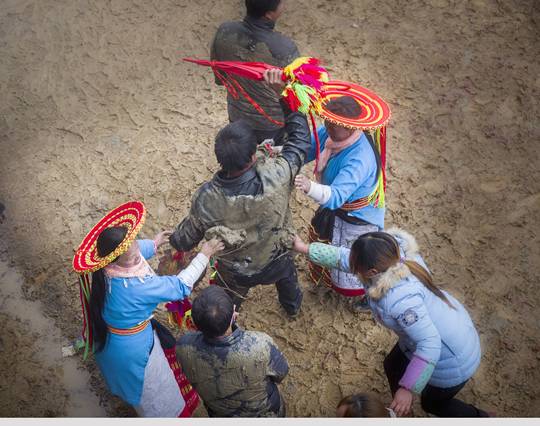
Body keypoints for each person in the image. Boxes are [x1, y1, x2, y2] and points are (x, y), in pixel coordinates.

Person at [293, 228, 488, 417]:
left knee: (433, 404)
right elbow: (346, 258)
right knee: (393, 365)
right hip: (449, 322)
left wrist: (408, 389)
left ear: (372, 272)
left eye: (356, 268)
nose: (352, 267)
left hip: (453, 357)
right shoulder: (395, 255)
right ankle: (402, 409)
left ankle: (482, 417)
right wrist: (304, 248)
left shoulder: (399, 302)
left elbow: (430, 344)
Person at [169, 69, 311, 317]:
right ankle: (292, 307)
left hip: (235, 269)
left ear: (219, 157)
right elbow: (300, 141)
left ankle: (230, 318)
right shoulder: (277, 175)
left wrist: (173, 241)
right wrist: (285, 96)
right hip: (277, 256)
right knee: (288, 280)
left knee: (229, 300)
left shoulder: (206, 199)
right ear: (254, 155)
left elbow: (186, 238)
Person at [90, 224, 223, 417]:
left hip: (112, 340)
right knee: (156, 394)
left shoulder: (104, 267)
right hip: (133, 353)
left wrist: (153, 244)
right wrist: (204, 254)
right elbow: (180, 286)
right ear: (117, 259)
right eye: (135, 257)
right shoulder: (137, 286)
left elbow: (132, 251)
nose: (138, 253)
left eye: (135, 244)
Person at [294, 96, 385, 311]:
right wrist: (282, 152)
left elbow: (335, 197)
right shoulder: (331, 133)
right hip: (335, 210)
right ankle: (327, 280)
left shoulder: (360, 158)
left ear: (352, 126)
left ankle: (370, 296)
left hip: (357, 218)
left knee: (357, 260)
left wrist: (309, 186)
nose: (329, 126)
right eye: (328, 121)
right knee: (327, 245)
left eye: (336, 124)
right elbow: (307, 148)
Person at [176, 286, 289, 417]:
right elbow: (282, 372)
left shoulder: (183, 346)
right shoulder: (260, 345)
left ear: (195, 324)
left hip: (221, 414)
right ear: (233, 315)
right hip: (265, 413)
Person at [210, 0, 300, 145]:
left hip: (237, 115)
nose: (285, 5)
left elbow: (219, 78)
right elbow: (297, 99)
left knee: (241, 161)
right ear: (269, 15)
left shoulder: (225, 31)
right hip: (272, 124)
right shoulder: (285, 49)